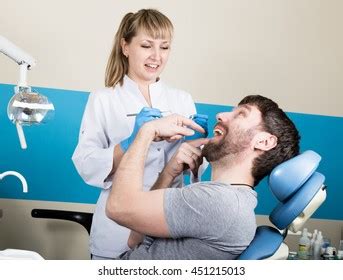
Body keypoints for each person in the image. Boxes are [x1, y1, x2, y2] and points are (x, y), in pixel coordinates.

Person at [72, 9, 204, 260]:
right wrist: (134, 141)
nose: (156, 56)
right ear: (125, 46)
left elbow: (191, 173)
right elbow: (86, 163)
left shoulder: (182, 100)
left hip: (167, 224)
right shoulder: (103, 99)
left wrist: (199, 151)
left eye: (164, 47)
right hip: (117, 229)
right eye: (146, 45)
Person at [105, 95, 300, 260]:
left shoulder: (220, 202)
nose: (221, 115)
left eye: (241, 114)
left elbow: (118, 207)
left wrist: (146, 131)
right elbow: (135, 240)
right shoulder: (224, 199)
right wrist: (168, 174)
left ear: (264, 141)